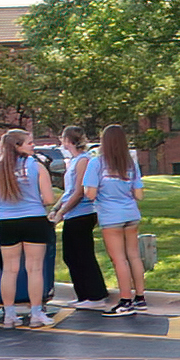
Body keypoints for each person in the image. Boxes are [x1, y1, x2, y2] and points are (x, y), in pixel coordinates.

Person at [0, 129, 56, 329]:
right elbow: (49, 199)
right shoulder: (36, 166)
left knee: (9, 270)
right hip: (34, 220)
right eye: (29, 142)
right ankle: (35, 313)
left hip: (7, 222)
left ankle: (10, 314)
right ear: (18, 146)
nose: (33, 145)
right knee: (34, 268)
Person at [84, 125, 148, 318]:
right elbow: (139, 194)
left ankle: (125, 300)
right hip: (131, 213)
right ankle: (140, 297)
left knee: (119, 259)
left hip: (111, 216)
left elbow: (90, 193)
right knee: (134, 256)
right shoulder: (130, 163)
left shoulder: (96, 163)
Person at [46, 126, 110, 309]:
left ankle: (96, 295)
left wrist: (61, 213)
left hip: (83, 213)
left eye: (63, 138)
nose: (61, 141)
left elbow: (79, 192)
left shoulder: (84, 160)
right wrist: (57, 208)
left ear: (68, 140)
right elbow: (68, 192)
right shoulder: (73, 161)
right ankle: (83, 295)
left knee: (82, 254)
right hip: (72, 213)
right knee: (71, 255)